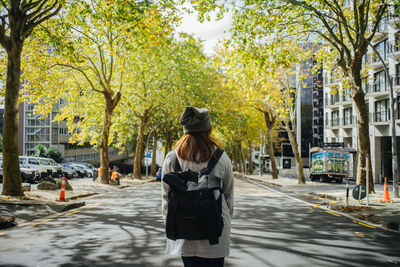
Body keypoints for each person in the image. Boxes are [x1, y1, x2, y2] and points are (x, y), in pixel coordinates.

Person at [161, 106, 234, 267]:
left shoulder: (172, 158)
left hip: (185, 233)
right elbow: (228, 197)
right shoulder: (221, 157)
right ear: (209, 129)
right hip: (215, 235)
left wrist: (173, 223)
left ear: (185, 130)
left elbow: (166, 197)